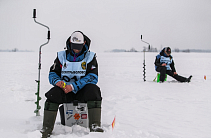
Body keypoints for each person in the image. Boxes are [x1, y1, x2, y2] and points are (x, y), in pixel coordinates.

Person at [41, 31, 103, 138]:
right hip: (65, 91)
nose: (76, 49)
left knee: (94, 90)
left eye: (79, 46)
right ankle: (46, 128)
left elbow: (92, 77)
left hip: (81, 91)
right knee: (52, 94)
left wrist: (74, 86)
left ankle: (95, 126)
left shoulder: (90, 57)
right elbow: (53, 73)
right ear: (70, 42)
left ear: (84, 43)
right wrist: (57, 82)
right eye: (74, 46)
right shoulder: (61, 56)